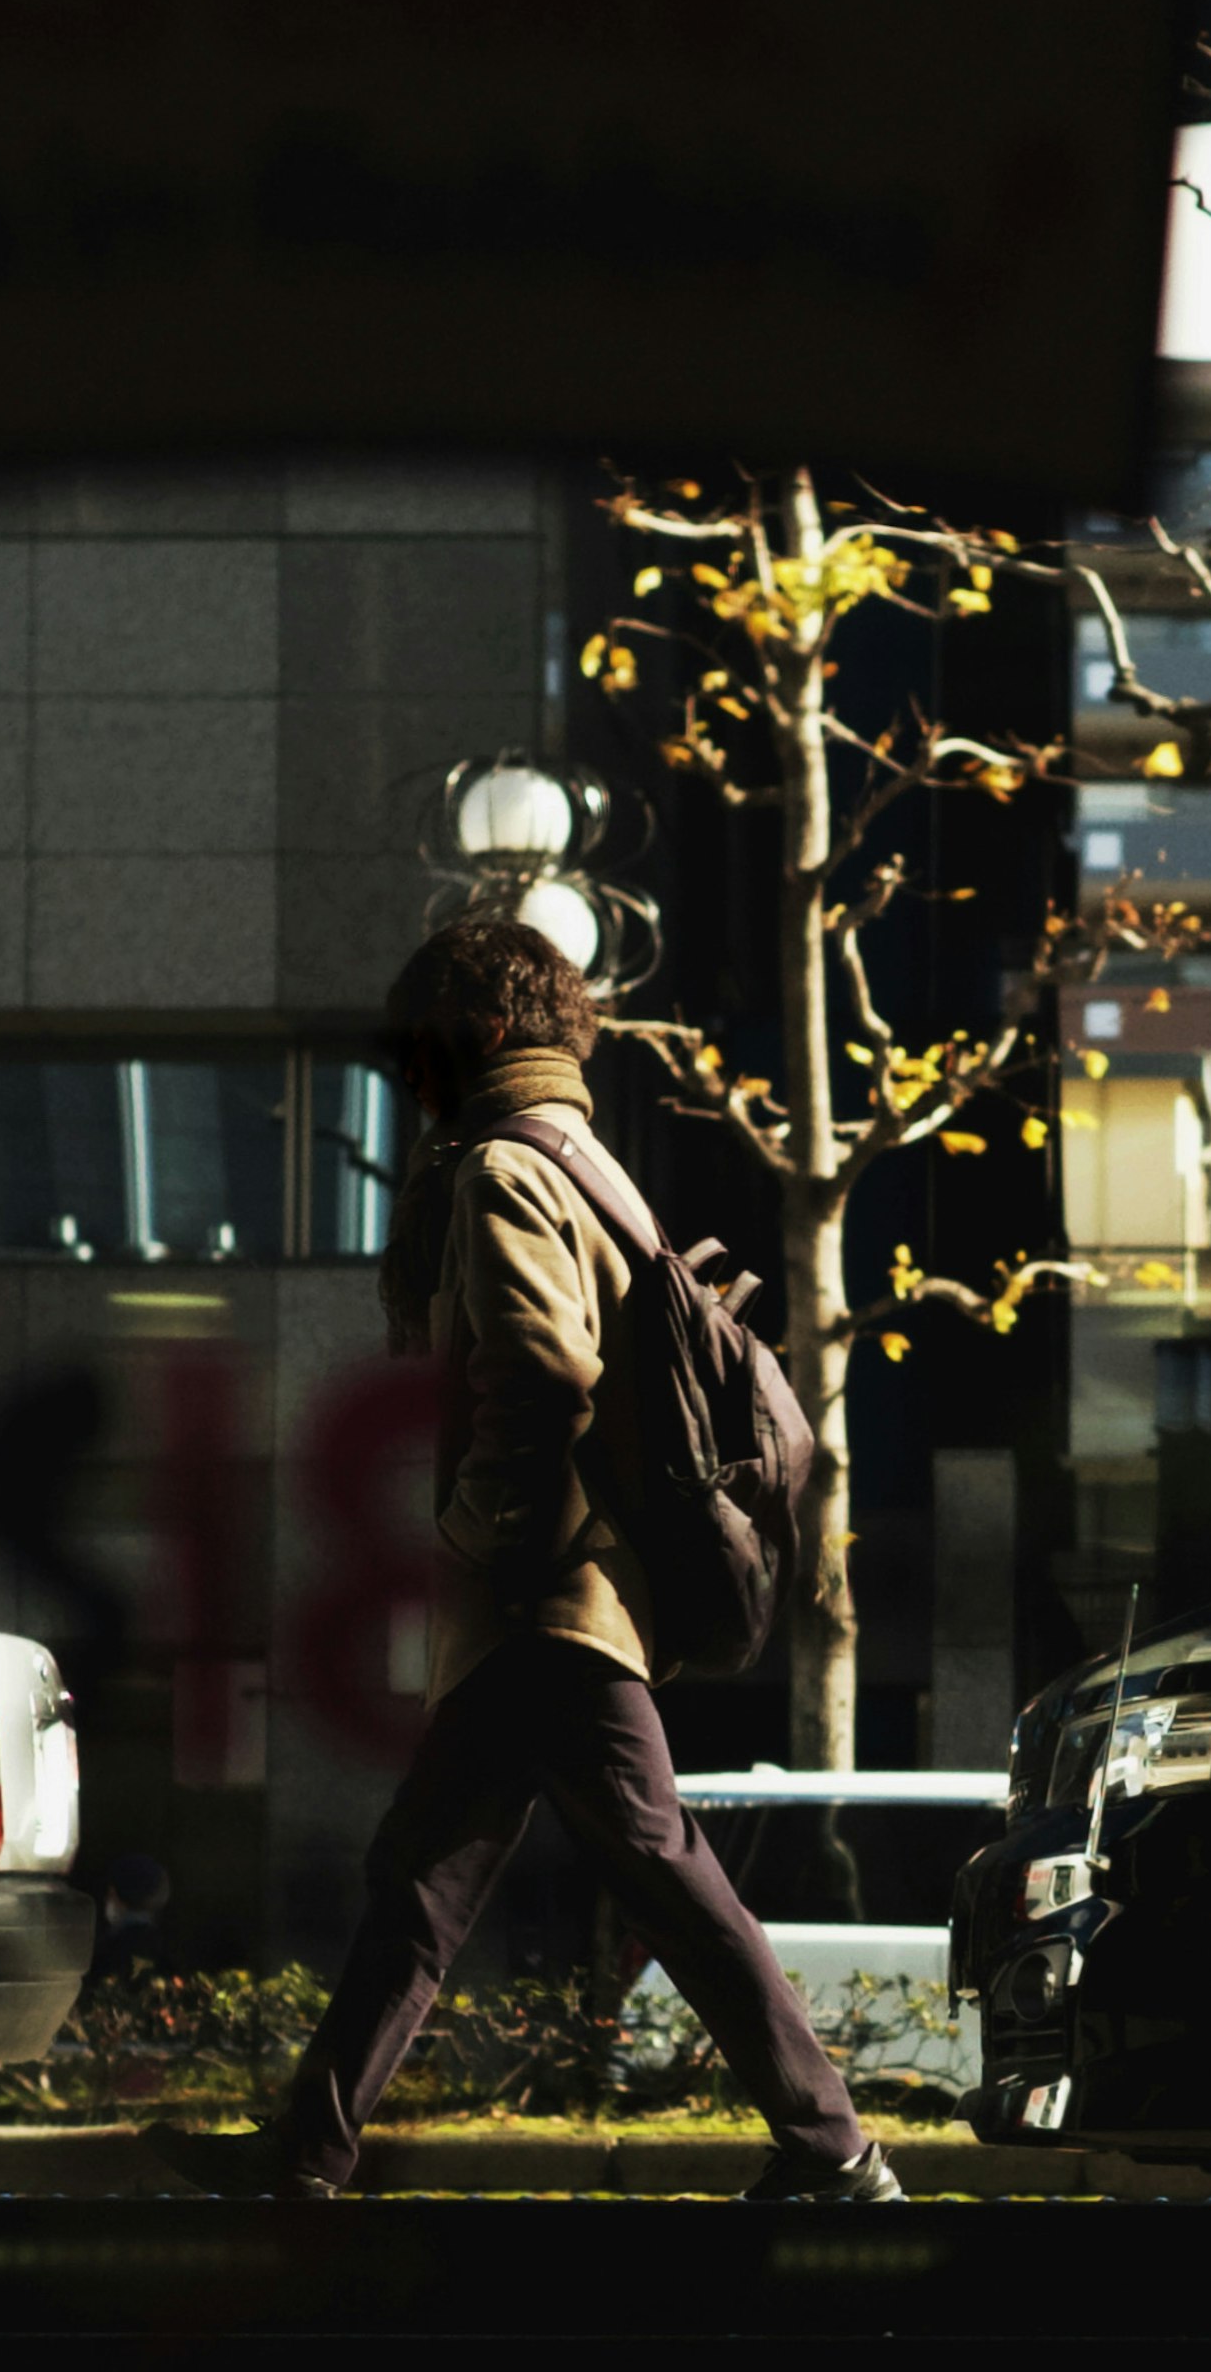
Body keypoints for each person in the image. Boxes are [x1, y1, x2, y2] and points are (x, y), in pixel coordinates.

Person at [198, 903, 900, 2209]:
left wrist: (472, 1532)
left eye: (418, 1051)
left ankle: (836, 2151)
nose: (409, 1079)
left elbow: (541, 1373)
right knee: (427, 1881)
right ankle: (304, 2155)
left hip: (545, 1603)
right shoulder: (584, 1156)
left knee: (660, 1874)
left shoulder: (501, 1171)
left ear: (469, 1038)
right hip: (562, 1598)